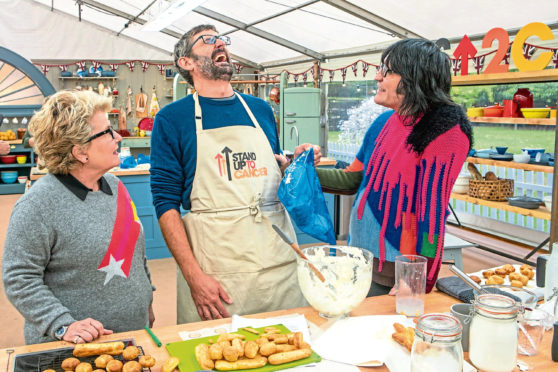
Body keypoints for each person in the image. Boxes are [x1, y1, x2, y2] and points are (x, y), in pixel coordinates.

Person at [150, 24, 320, 323]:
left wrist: (297, 164)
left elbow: (273, 171)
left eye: (222, 39)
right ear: (186, 63)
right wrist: (193, 276)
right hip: (218, 267)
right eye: (207, 40)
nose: (220, 44)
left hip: (277, 260)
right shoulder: (172, 119)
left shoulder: (261, 110)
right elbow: (165, 203)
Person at [316, 39, 473, 296]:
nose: (377, 77)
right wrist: (295, 169)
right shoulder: (383, 121)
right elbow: (351, 179)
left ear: (414, 78)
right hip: (361, 257)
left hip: (396, 271)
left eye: (387, 71)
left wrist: (417, 278)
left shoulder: (445, 130)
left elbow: (431, 214)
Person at [2, 90, 155, 345]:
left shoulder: (115, 186)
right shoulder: (36, 205)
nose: (117, 136)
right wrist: (62, 325)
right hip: (74, 350)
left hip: (131, 338)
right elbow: (19, 278)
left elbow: (135, 252)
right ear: (80, 152)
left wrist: (146, 299)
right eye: (107, 131)